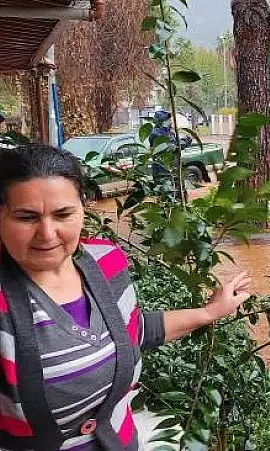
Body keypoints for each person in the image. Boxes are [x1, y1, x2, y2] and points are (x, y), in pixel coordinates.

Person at [0, 144, 251, 449]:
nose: (48, 233)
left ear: (83, 208)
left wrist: (209, 312)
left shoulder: (105, 262)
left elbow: (131, 331)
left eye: (63, 214)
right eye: (27, 217)